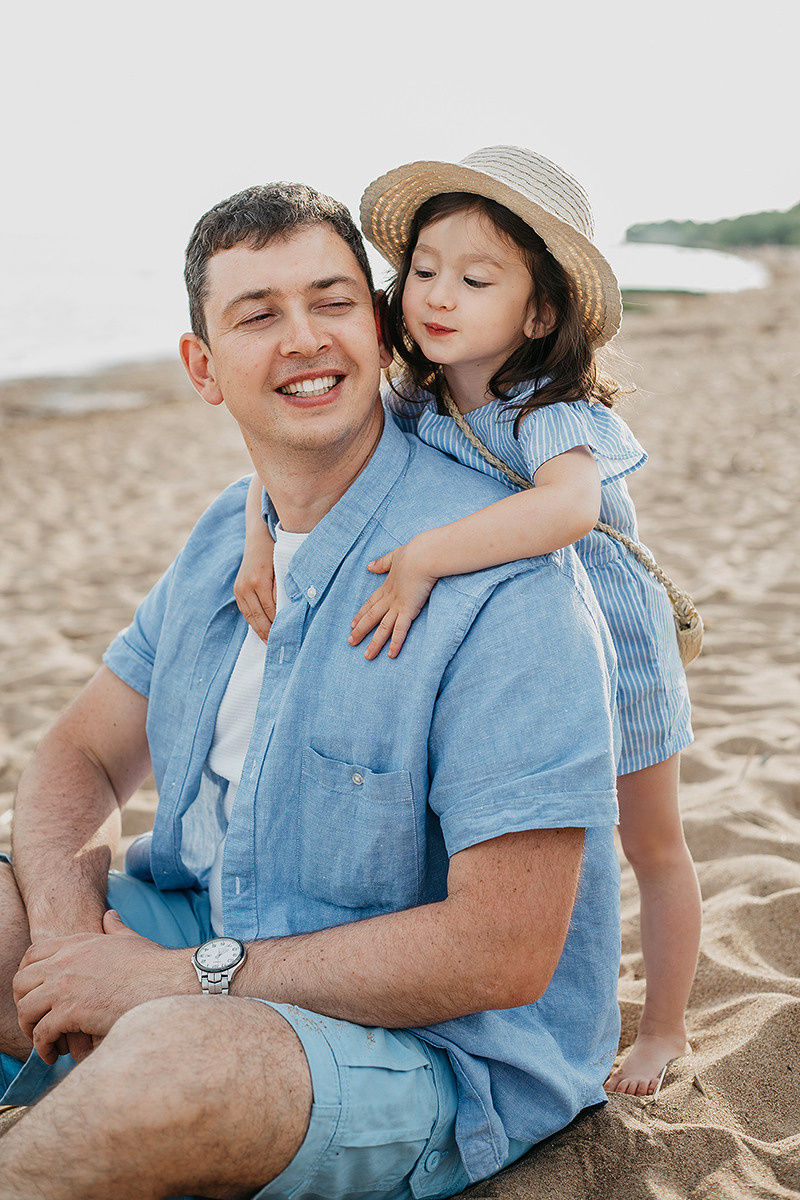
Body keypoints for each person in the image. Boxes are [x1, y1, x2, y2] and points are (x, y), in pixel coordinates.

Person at [0, 181, 621, 1200]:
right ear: (202, 367)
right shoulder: (224, 537)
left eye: (331, 302)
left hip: (433, 1047)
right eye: (257, 314)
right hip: (197, 918)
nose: (303, 340)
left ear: (379, 332)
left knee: (177, 1066)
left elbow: (501, 951)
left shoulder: (504, 584)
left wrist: (166, 985)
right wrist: (71, 943)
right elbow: (81, 753)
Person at [234, 147, 702, 1098]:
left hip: (614, 654)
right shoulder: (415, 398)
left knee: (652, 844)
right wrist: (257, 539)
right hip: (511, 671)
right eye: (426, 271)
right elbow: (283, 459)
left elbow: (567, 510)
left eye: (476, 279)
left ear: (540, 312)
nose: (438, 296)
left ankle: (665, 1029)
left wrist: (425, 555)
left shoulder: (550, 410)